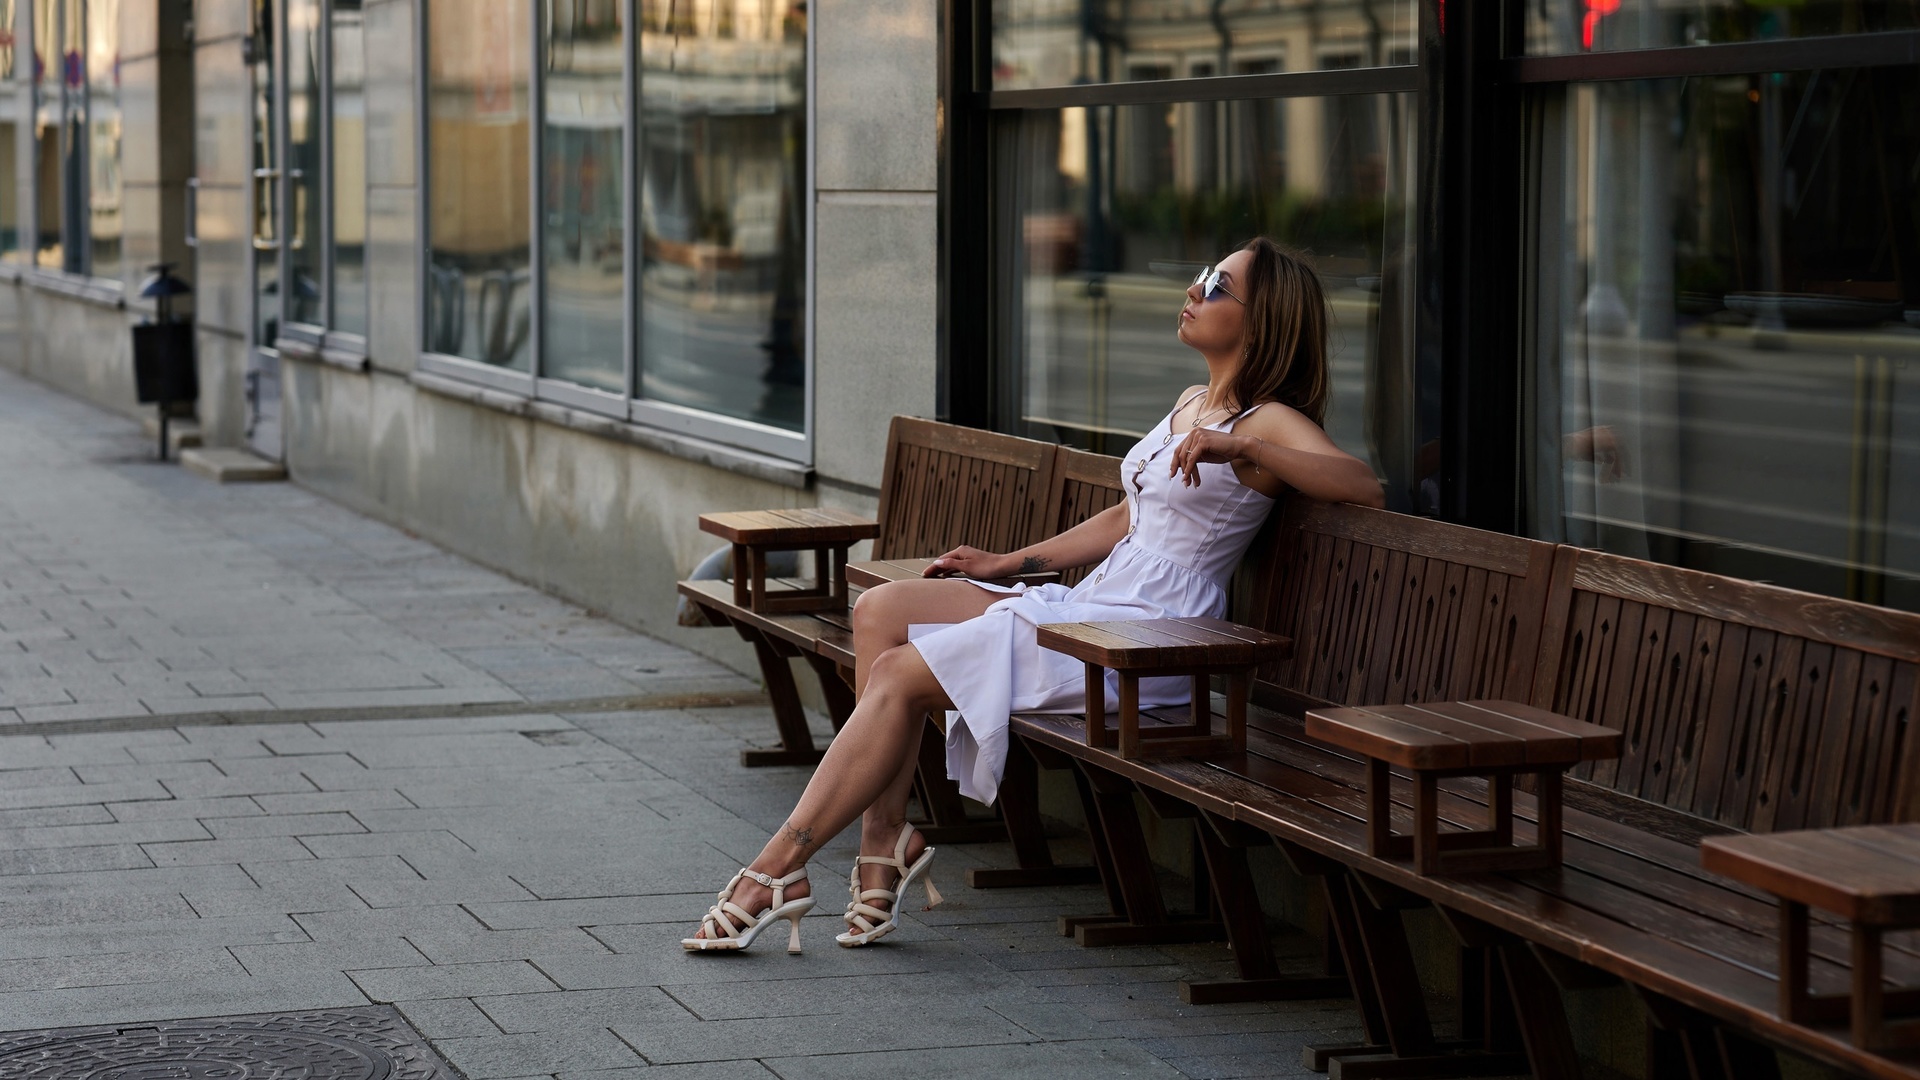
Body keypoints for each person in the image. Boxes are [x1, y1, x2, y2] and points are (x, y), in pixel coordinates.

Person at [683, 237, 1386, 953]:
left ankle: (776, 871)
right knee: (880, 611)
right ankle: (882, 836)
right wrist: (1011, 562)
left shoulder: (1263, 420)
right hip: (1102, 604)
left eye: (1217, 285)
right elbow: (1128, 518)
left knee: (899, 675)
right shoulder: (1190, 402)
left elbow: (1363, 485)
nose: (1195, 291)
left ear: (1262, 319)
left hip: (1153, 639)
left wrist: (1249, 451)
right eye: (1202, 276)